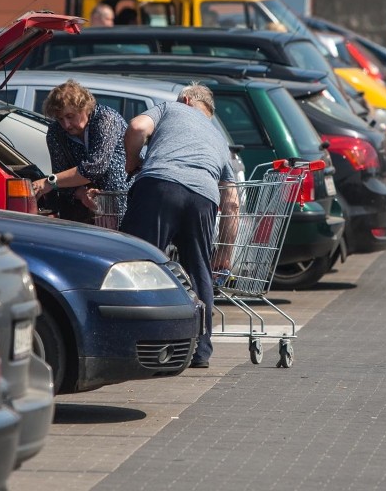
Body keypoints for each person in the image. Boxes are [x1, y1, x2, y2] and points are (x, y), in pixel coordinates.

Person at [120, 83, 238, 369]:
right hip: (203, 198)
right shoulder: (219, 137)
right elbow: (232, 201)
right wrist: (226, 251)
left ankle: (130, 342)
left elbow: (136, 127)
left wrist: (132, 163)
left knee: (136, 262)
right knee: (199, 271)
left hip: (160, 187)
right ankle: (201, 351)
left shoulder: (170, 109)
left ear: (186, 99)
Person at [32, 79, 130, 224]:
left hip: (123, 205)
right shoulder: (55, 133)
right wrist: (83, 194)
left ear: (85, 108)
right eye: (60, 119)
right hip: (84, 215)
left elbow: (95, 167)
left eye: (70, 116)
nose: (66, 124)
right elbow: (61, 177)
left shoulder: (106, 119)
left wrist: (49, 182)